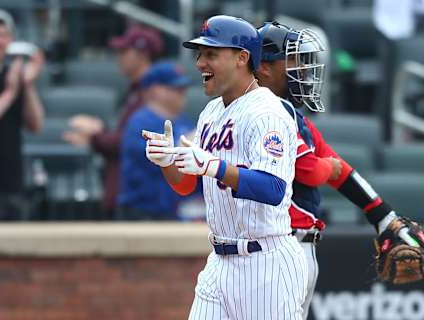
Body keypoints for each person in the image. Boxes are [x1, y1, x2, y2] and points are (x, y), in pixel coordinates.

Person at [255, 21, 424, 319]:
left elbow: (340, 169)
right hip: (272, 249)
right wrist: (329, 166)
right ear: (264, 67)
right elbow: (311, 171)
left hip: (294, 248)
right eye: (293, 60)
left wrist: (382, 216)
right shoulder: (262, 112)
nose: (302, 70)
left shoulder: (293, 116)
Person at [143, 15, 307, 319]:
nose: (200, 63)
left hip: (265, 262)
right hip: (219, 261)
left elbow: (273, 189)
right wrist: (167, 162)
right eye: (200, 54)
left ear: (242, 58)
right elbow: (185, 185)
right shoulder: (211, 112)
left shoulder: (267, 112)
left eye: (211, 54)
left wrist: (215, 167)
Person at [63, 24, 164, 217]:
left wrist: (94, 136)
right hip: (127, 193)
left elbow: (132, 141)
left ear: (142, 55)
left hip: (140, 197)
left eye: (125, 51)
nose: (119, 56)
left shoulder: (153, 92)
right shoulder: (135, 91)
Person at [118, 61, 194, 220]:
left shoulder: (185, 122)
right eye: (175, 89)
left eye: (183, 89)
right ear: (154, 90)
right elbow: (158, 159)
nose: (182, 93)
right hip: (142, 213)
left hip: (177, 213)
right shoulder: (139, 122)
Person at [0, 9, 45, 220]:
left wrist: (27, 85)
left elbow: (36, 125)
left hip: (11, 185)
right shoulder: (10, 85)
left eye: (2, 35)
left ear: (11, 40)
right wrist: (10, 92)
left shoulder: (13, 77)